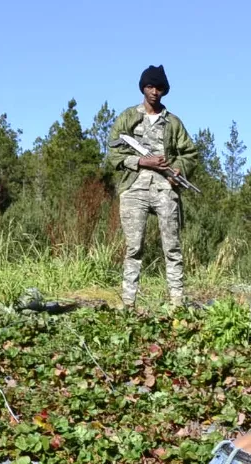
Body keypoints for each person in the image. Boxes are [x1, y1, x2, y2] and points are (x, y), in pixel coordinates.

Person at [106, 65, 198, 309]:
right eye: (150, 86)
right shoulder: (127, 117)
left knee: (173, 247)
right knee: (133, 248)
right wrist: (141, 161)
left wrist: (178, 169)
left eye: (159, 87)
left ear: (164, 91)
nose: (154, 91)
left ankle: (177, 303)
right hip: (133, 189)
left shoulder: (173, 122)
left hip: (165, 189)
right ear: (143, 88)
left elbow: (190, 153)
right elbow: (114, 154)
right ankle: (128, 304)